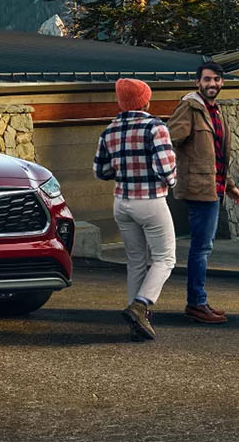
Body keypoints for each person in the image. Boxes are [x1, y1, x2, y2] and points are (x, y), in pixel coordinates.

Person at [94, 77, 178, 342]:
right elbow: (165, 169)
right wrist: (172, 180)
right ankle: (141, 304)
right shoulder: (156, 128)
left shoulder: (109, 131)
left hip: (122, 202)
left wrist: (124, 171)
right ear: (145, 100)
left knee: (136, 261)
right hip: (151, 201)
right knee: (165, 258)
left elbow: (101, 171)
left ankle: (137, 321)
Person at [167, 61, 239, 325]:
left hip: (215, 188)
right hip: (198, 189)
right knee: (201, 248)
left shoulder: (215, 111)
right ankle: (197, 304)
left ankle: (198, 301)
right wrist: (164, 175)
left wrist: (231, 185)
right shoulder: (189, 108)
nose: (212, 84)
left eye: (216, 80)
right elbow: (168, 142)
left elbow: (216, 157)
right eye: (207, 80)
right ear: (198, 82)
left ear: (221, 83)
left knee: (203, 247)